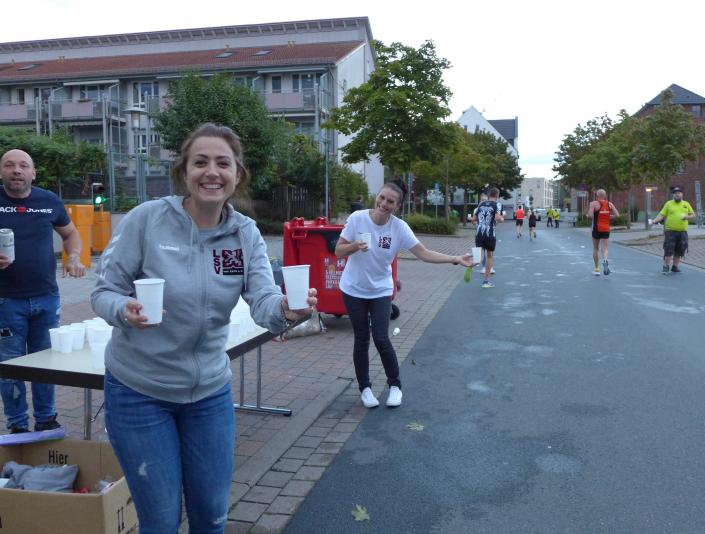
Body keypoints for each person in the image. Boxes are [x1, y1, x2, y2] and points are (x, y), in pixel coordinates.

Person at [91, 123, 317, 533]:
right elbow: (104, 292)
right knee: (160, 522)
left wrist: (286, 310)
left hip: (209, 393)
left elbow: (264, 301)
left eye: (222, 163)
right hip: (139, 391)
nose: (211, 172)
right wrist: (125, 309)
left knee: (212, 517)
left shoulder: (244, 234)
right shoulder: (147, 220)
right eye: (200, 162)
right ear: (184, 171)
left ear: (237, 174)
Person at [336, 179, 472, 409]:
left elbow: (423, 253)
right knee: (361, 339)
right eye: (381, 198)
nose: (383, 204)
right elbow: (338, 250)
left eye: (390, 201)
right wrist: (354, 246)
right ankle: (365, 389)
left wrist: (455, 259)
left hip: (380, 289)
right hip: (353, 289)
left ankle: (395, 386)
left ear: (397, 206)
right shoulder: (357, 219)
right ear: (376, 197)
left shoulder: (398, 228)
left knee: (381, 338)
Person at [0, 149, 86, 435]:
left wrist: (74, 256)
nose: (17, 170)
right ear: (1, 171)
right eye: (9, 165)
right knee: (10, 366)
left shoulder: (48, 201)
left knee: (46, 362)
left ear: (33, 173)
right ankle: (17, 425)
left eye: (23, 165)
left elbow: (70, 233)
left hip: (47, 298)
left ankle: (46, 419)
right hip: (5, 301)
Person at [652, 186, 695, 274]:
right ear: (673, 195)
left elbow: (693, 215)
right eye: (675, 193)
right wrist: (654, 221)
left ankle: (675, 266)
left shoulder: (686, 204)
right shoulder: (669, 204)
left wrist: (686, 217)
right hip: (670, 231)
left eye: (679, 193)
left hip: (682, 232)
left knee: (680, 250)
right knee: (668, 250)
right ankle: (666, 266)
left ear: (682, 194)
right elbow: (662, 215)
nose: (677, 195)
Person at [473, 187, 505, 288]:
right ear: (497, 195)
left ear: (488, 195)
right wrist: (502, 218)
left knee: (478, 256)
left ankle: (470, 262)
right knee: (490, 256)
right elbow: (497, 218)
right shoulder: (497, 204)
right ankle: (486, 281)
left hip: (479, 233)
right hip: (490, 233)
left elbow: (473, 219)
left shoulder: (481, 204)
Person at [586, 189, 619, 275]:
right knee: (605, 248)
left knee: (595, 248)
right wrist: (608, 217)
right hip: (606, 229)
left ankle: (596, 269)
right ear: (605, 196)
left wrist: (589, 215)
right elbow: (617, 215)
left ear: (597, 195)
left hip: (596, 228)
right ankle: (605, 260)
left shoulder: (593, 204)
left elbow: (590, 216)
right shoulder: (609, 204)